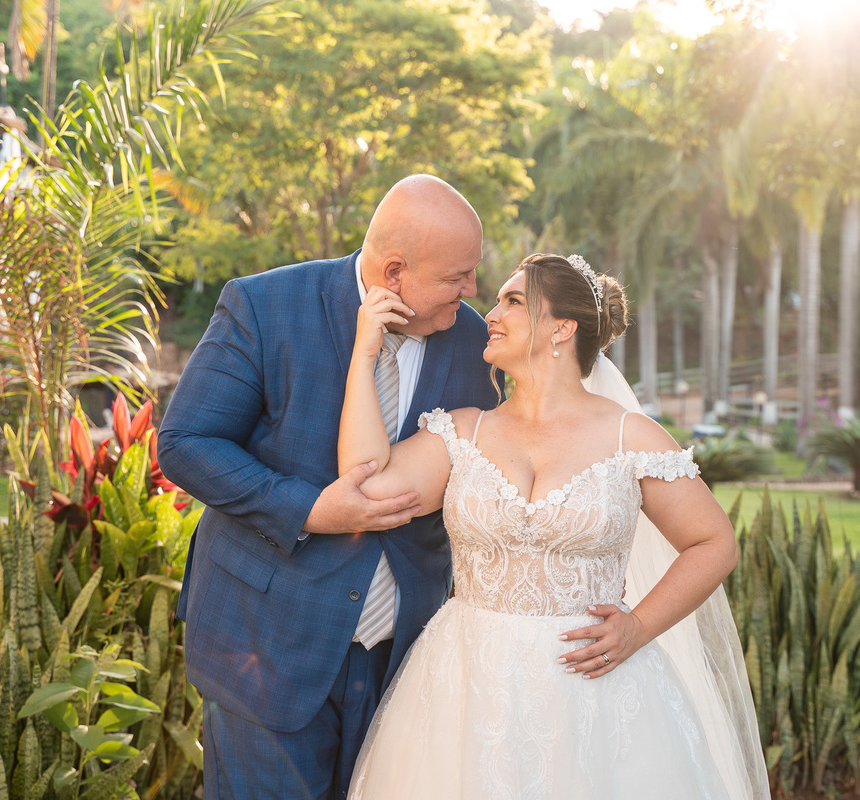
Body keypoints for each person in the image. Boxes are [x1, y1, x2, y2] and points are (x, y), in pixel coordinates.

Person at [338, 253, 770, 799]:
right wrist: (364, 352)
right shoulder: (463, 432)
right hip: (468, 692)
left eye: (513, 301)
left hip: (596, 693)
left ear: (562, 328)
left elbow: (713, 543)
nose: (489, 313)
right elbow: (366, 484)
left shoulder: (630, 437)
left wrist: (637, 626)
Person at [156, 175, 502, 799]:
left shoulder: (473, 338)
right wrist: (311, 509)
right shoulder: (264, 306)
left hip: (405, 659)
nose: (473, 291)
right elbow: (186, 444)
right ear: (394, 271)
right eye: (458, 276)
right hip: (265, 647)